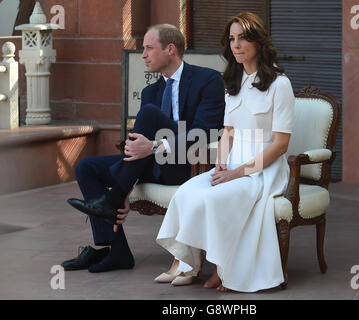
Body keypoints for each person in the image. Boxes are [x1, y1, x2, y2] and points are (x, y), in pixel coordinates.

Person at [61, 24, 225, 273]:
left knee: (149, 115)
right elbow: (140, 145)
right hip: (151, 164)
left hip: (189, 164)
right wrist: (127, 184)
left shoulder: (208, 79)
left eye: (149, 48)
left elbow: (204, 132)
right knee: (86, 167)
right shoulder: (151, 91)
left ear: (170, 49)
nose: (143, 55)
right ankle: (117, 252)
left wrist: (157, 146)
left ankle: (112, 198)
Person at [154, 12, 295, 292]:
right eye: (232, 39)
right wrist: (220, 165)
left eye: (243, 38)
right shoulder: (232, 83)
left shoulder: (280, 84)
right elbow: (228, 132)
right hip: (230, 165)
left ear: (258, 41)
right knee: (187, 192)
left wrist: (237, 173)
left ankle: (224, 268)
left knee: (215, 198)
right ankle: (187, 263)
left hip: (263, 170)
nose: (236, 45)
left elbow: (280, 144)